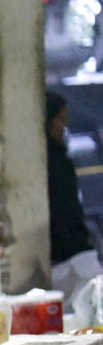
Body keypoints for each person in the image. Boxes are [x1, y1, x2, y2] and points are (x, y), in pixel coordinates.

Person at [46, 91, 102, 295]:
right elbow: (64, 208)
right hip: (67, 255)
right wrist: (75, 244)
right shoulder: (52, 163)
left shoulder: (58, 158)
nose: (64, 126)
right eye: (61, 119)